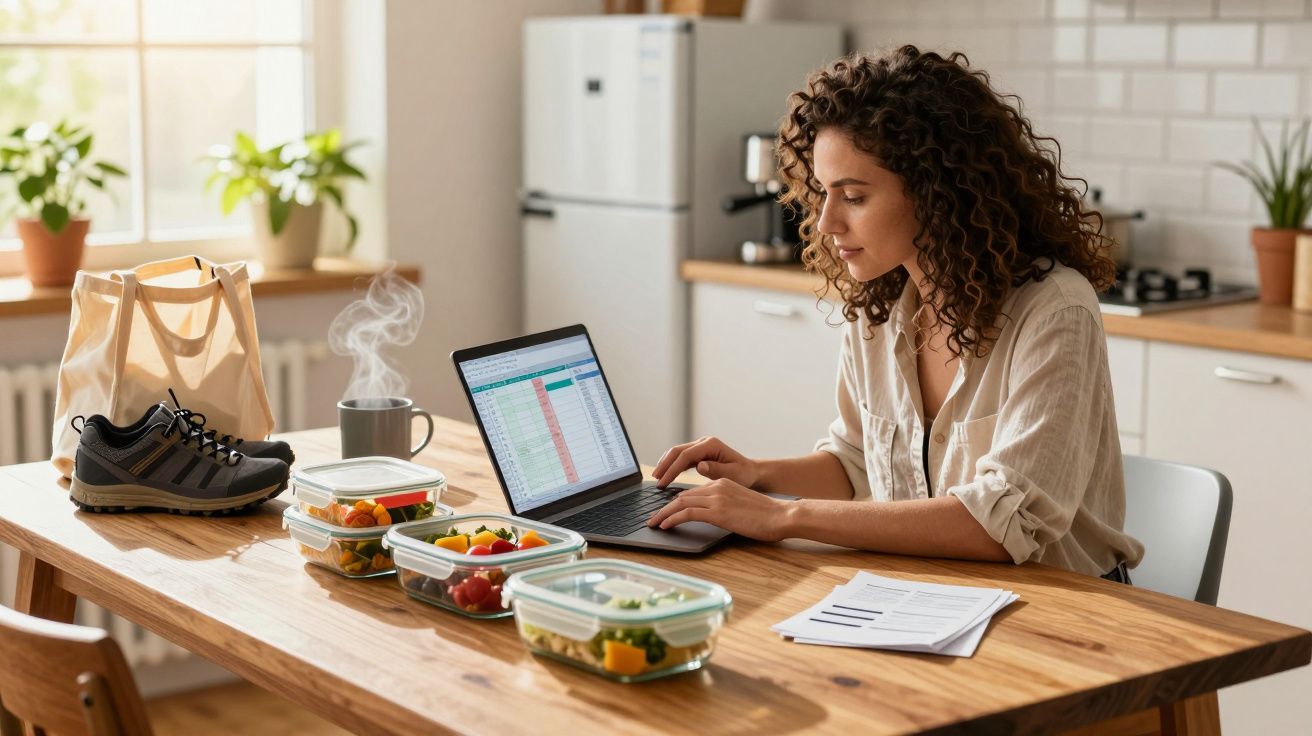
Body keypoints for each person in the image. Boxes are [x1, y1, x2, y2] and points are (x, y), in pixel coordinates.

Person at [646, 46, 1143, 580]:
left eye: (854, 197)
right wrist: (757, 475)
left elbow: (1005, 524)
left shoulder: (1054, 310)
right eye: (822, 194)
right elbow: (857, 462)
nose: (825, 223)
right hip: (931, 592)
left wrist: (784, 515)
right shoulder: (879, 309)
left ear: (937, 193)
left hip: (1066, 612)